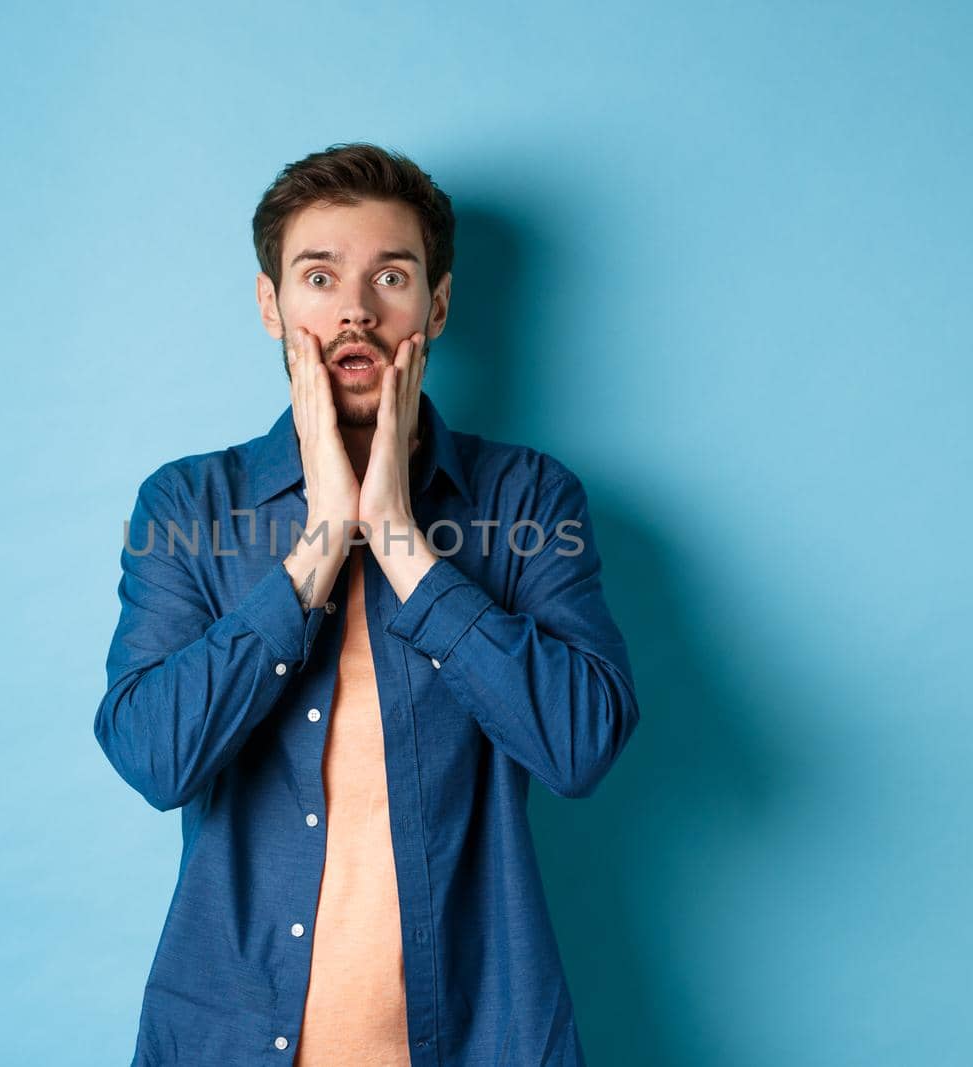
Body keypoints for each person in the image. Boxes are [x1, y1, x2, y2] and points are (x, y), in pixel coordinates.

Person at [94, 142, 641, 1065]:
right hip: (227, 1039)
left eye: (391, 274)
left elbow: (581, 745)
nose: (355, 309)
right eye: (319, 276)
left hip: (478, 1039)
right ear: (272, 305)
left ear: (438, 303)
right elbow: (155, 756)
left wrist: (396, 538)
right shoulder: (187, 507)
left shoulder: (530, 502)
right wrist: (318, 548)